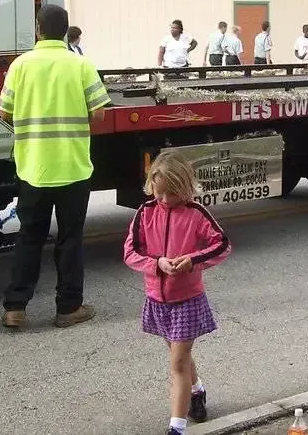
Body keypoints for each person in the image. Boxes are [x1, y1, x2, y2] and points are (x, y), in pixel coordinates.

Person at [0, 4, 111, 329]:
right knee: (70, 238)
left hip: (34, 167)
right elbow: (100, 112)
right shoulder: (80, 65)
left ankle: (15, 307)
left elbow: (5, 112)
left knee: (29, 236)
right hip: (73, 168)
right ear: (65, 30)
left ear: (38, 29)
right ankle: (68, 307)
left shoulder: (20, 66)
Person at [123, 151, 231, 435]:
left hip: (187, 300)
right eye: (160, 194)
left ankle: (177, 428)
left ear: (184, 186)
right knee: (177, 355)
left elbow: (221, 244)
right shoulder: (145, 213)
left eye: (172, 194)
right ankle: (197, 391)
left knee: (178, 363)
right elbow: (130, 252)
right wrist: (156, 263)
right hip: (158, 300)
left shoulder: (196, 214)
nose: (166, 200)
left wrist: (193, 260)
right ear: (152, 187)